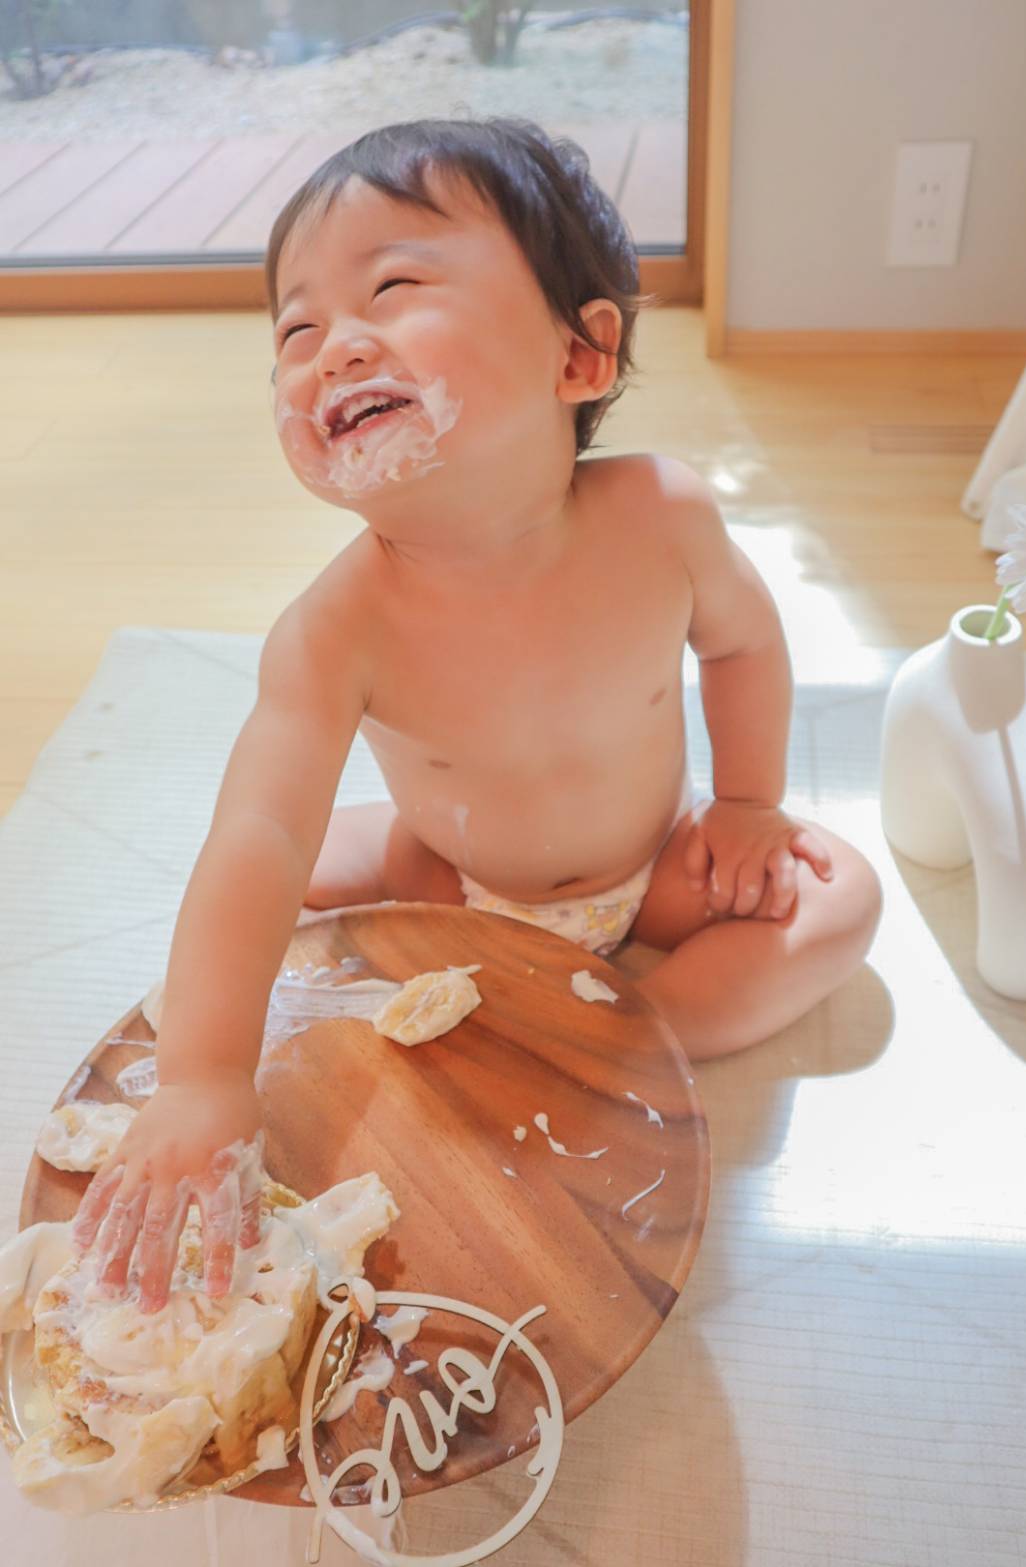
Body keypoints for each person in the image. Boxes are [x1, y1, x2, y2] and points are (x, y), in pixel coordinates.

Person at [73, 116, 882, 1313]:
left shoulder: (662, 518)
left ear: (579, 355)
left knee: (837, 896)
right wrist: (202, 1074)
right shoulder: (333, 629)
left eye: (393, 288)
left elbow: (745, 642)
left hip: (650, 861)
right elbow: (258, 833)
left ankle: (632, 1034)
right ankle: (510, 1009)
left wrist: (752, 805)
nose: (334, 347)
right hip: (449, 876)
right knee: (263, 885)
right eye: (295, 331)